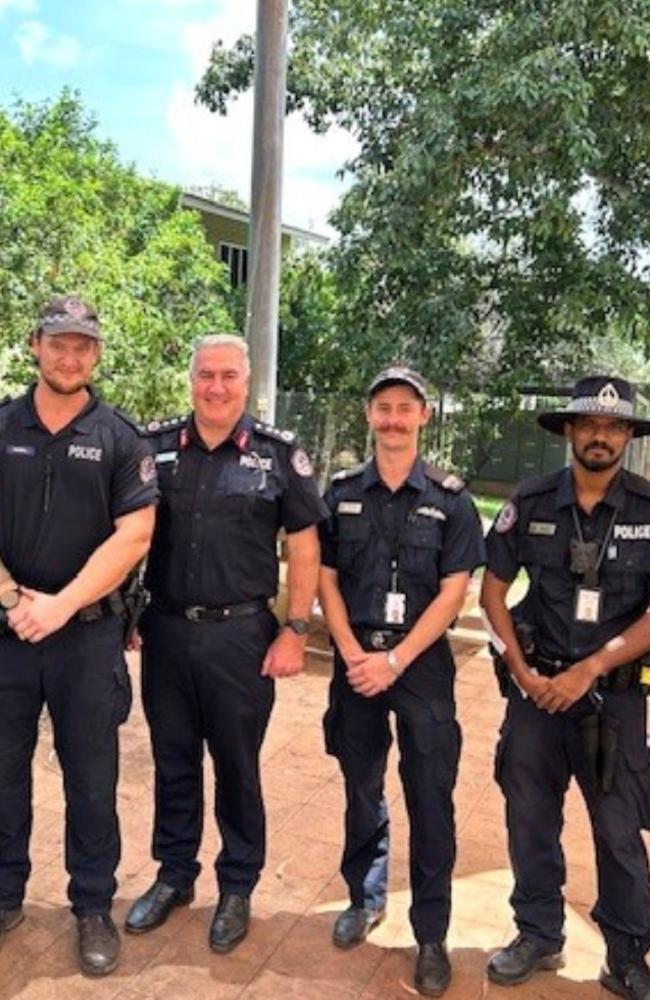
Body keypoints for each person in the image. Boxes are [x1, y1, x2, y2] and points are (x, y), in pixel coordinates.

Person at [125, 333, 328, 952]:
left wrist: (295, 630)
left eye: (228, 377)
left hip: (242, 637)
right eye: (206, 375)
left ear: (247, 384)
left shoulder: (277, 456)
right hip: (165, 631)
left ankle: (237, 885)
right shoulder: (153, 448)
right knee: (174, 760)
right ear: (191, 379)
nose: (216, 387)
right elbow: (131, 533)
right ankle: (174, 875)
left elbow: (305, 546)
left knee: (236, 767)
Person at [0, 296, 157, 974]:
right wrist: (13, 598)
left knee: (92, 780)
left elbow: (137, 533)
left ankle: (92, 906)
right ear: (35, 344)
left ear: (97, 354)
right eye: (59, 342)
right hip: (5, 633)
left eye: (83, 346)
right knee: (1, 775)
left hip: (87, 639)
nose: (70, 356)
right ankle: (4, 892)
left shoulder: (121, 436)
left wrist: (60, 605)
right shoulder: (2, 423)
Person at [481, 376, 650, 999]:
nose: (599, 435)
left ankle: (627, 953)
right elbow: (492, 593)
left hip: (615, 699)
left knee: (617, 827)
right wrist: (523, 670)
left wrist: (592, 668)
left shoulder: (648, 509)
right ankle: (538, 934)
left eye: (612, 426)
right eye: (589, 425)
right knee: (529, 816)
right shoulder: (528, 502)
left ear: (627, 435)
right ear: (570, 432)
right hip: (537, 691)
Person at [318, 366, 484, 997]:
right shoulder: (339, 492)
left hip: (420, 667)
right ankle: (364, 898)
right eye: (382, 407)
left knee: (430, 796)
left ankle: (432, 933)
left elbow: (453, 593)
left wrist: (395, 660)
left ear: (424, 417)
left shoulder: (451, 498)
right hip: (355, 658)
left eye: (404, 408)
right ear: (369, 416)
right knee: (361, 784)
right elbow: (325, 578)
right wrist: (354, 652)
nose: (392, 418)